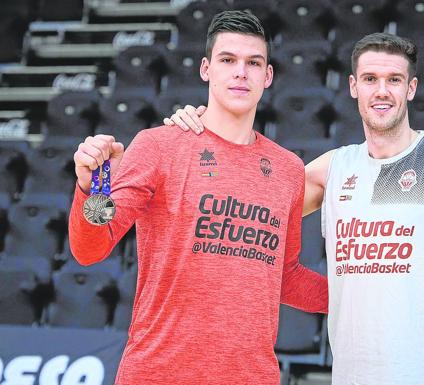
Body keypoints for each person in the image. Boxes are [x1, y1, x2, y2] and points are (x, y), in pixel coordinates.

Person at [167, 32, 424, 385]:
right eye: (370, 79)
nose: (381, 91)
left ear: (411, 88)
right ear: (354, 86)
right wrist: (205, 126)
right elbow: (243, 203)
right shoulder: (334, 169)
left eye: (394, 80)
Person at [69, 10, 328, 385]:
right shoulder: (158, 145)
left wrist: (359, 292)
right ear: (206, 69)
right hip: (158, 373)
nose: (241, 72)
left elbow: (282, 277)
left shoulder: (287, 169)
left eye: (253, 63)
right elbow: (90, 249)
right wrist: (92, 191)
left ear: (267, 76)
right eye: (228, 60)